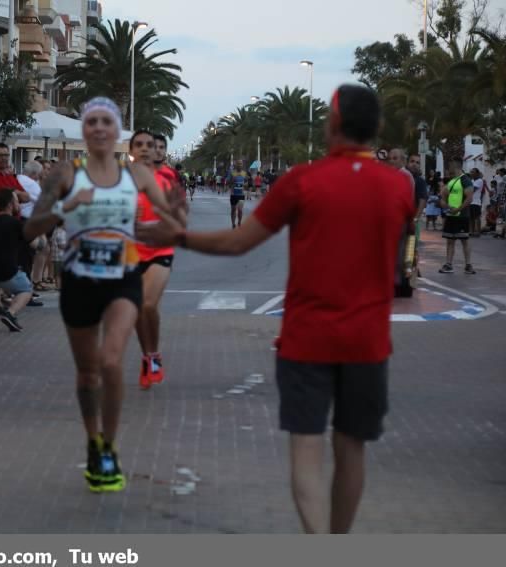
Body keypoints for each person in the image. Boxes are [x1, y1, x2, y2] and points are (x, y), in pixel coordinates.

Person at [138, 84, 414, 533]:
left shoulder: (302, 181)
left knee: (306, 449)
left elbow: (237, 242)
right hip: (367, 341)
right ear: (377, 128)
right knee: (352, 450)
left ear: (333, 125)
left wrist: (178, 237)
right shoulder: (398, 187)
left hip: (307, 339)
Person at [24, 97, 173, 493]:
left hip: (123, 278)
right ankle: (93, 440)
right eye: (92, 122)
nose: (100, 128)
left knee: (111, 362)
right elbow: (29, 229)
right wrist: (66, 207)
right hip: (78, 280)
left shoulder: (138, 175)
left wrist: (159, 228)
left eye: (107, 121)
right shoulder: (64, 174)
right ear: (85, 130)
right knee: (89, 372)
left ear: (118, 130)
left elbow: (171, 218)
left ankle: (110, 444)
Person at [129, 130, 187, 390]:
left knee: (149, 305)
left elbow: (181, 217)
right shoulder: (120, 180)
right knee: (137, 310)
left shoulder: (166, 179)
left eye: (150, 145)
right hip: (130, 252)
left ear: (157, 151)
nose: (144, 149)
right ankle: (147, 354)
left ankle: (154, 355)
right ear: (131, 150)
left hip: (161, 250)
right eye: (138, 145)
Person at [0, 190, 34, 332]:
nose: (19, 204)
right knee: (26, 289)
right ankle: (11, 313)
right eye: (16, 201)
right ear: (10, 204)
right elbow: (33, 243)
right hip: (6, 271)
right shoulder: (16, 223)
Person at [439, 158, 475, 274]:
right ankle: (448, 264)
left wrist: (458, 209)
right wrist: (445, 205)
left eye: (449, 166)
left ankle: (468, 265)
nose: (448, 169)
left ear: (456, 166)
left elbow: (469, 198)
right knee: (450, 240)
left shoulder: (465, 180)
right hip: (451, 216)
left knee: (464, 239)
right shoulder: (451, 181)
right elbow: (443, 196)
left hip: (462, 216)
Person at [17, 161, 49, 290]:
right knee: (28, 257)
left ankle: (21, 288)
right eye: (38, 174)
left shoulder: (17, 178)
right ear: (34, 173)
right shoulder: (32, 184)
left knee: (21, 257)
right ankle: (25, 290)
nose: (38, 177)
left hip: (18, 220)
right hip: (28, 222)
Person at [227, 163, 247, 228]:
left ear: (242, 166)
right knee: (233, 209)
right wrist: (232, 180)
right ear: (236, 166)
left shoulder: (244, 173)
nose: (240, 165)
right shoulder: (232, 173)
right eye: (238, 164)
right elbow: (228, 182)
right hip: (233, 194)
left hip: (241, 194)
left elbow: (247, 182)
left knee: (240, 210)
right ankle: (233, 224)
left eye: (241, 164)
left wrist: (244, 184)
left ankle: (239, 222)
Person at [469, 168, 485, 237]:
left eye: (473, 172)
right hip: (470, 201)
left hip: (476, 202)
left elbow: (473, 189)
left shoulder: (479, 181)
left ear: (477, 173)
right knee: (471, 217)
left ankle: (478, 232)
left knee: (477, 217)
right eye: (471, 172)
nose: (471, 173)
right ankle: (471, 231)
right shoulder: (471, 180)